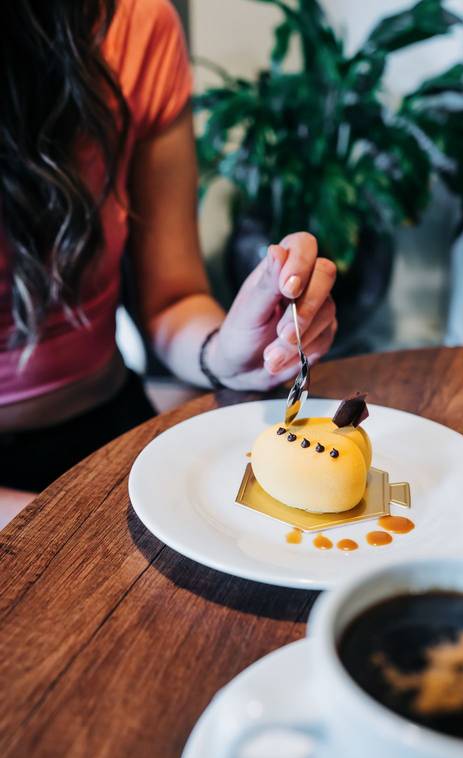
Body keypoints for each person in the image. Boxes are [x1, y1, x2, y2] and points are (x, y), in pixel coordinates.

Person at [0, 0, 337, 528]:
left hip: (105, 435)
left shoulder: (135, 23)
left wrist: (230, 349)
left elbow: (172, 300)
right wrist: (53, 525)